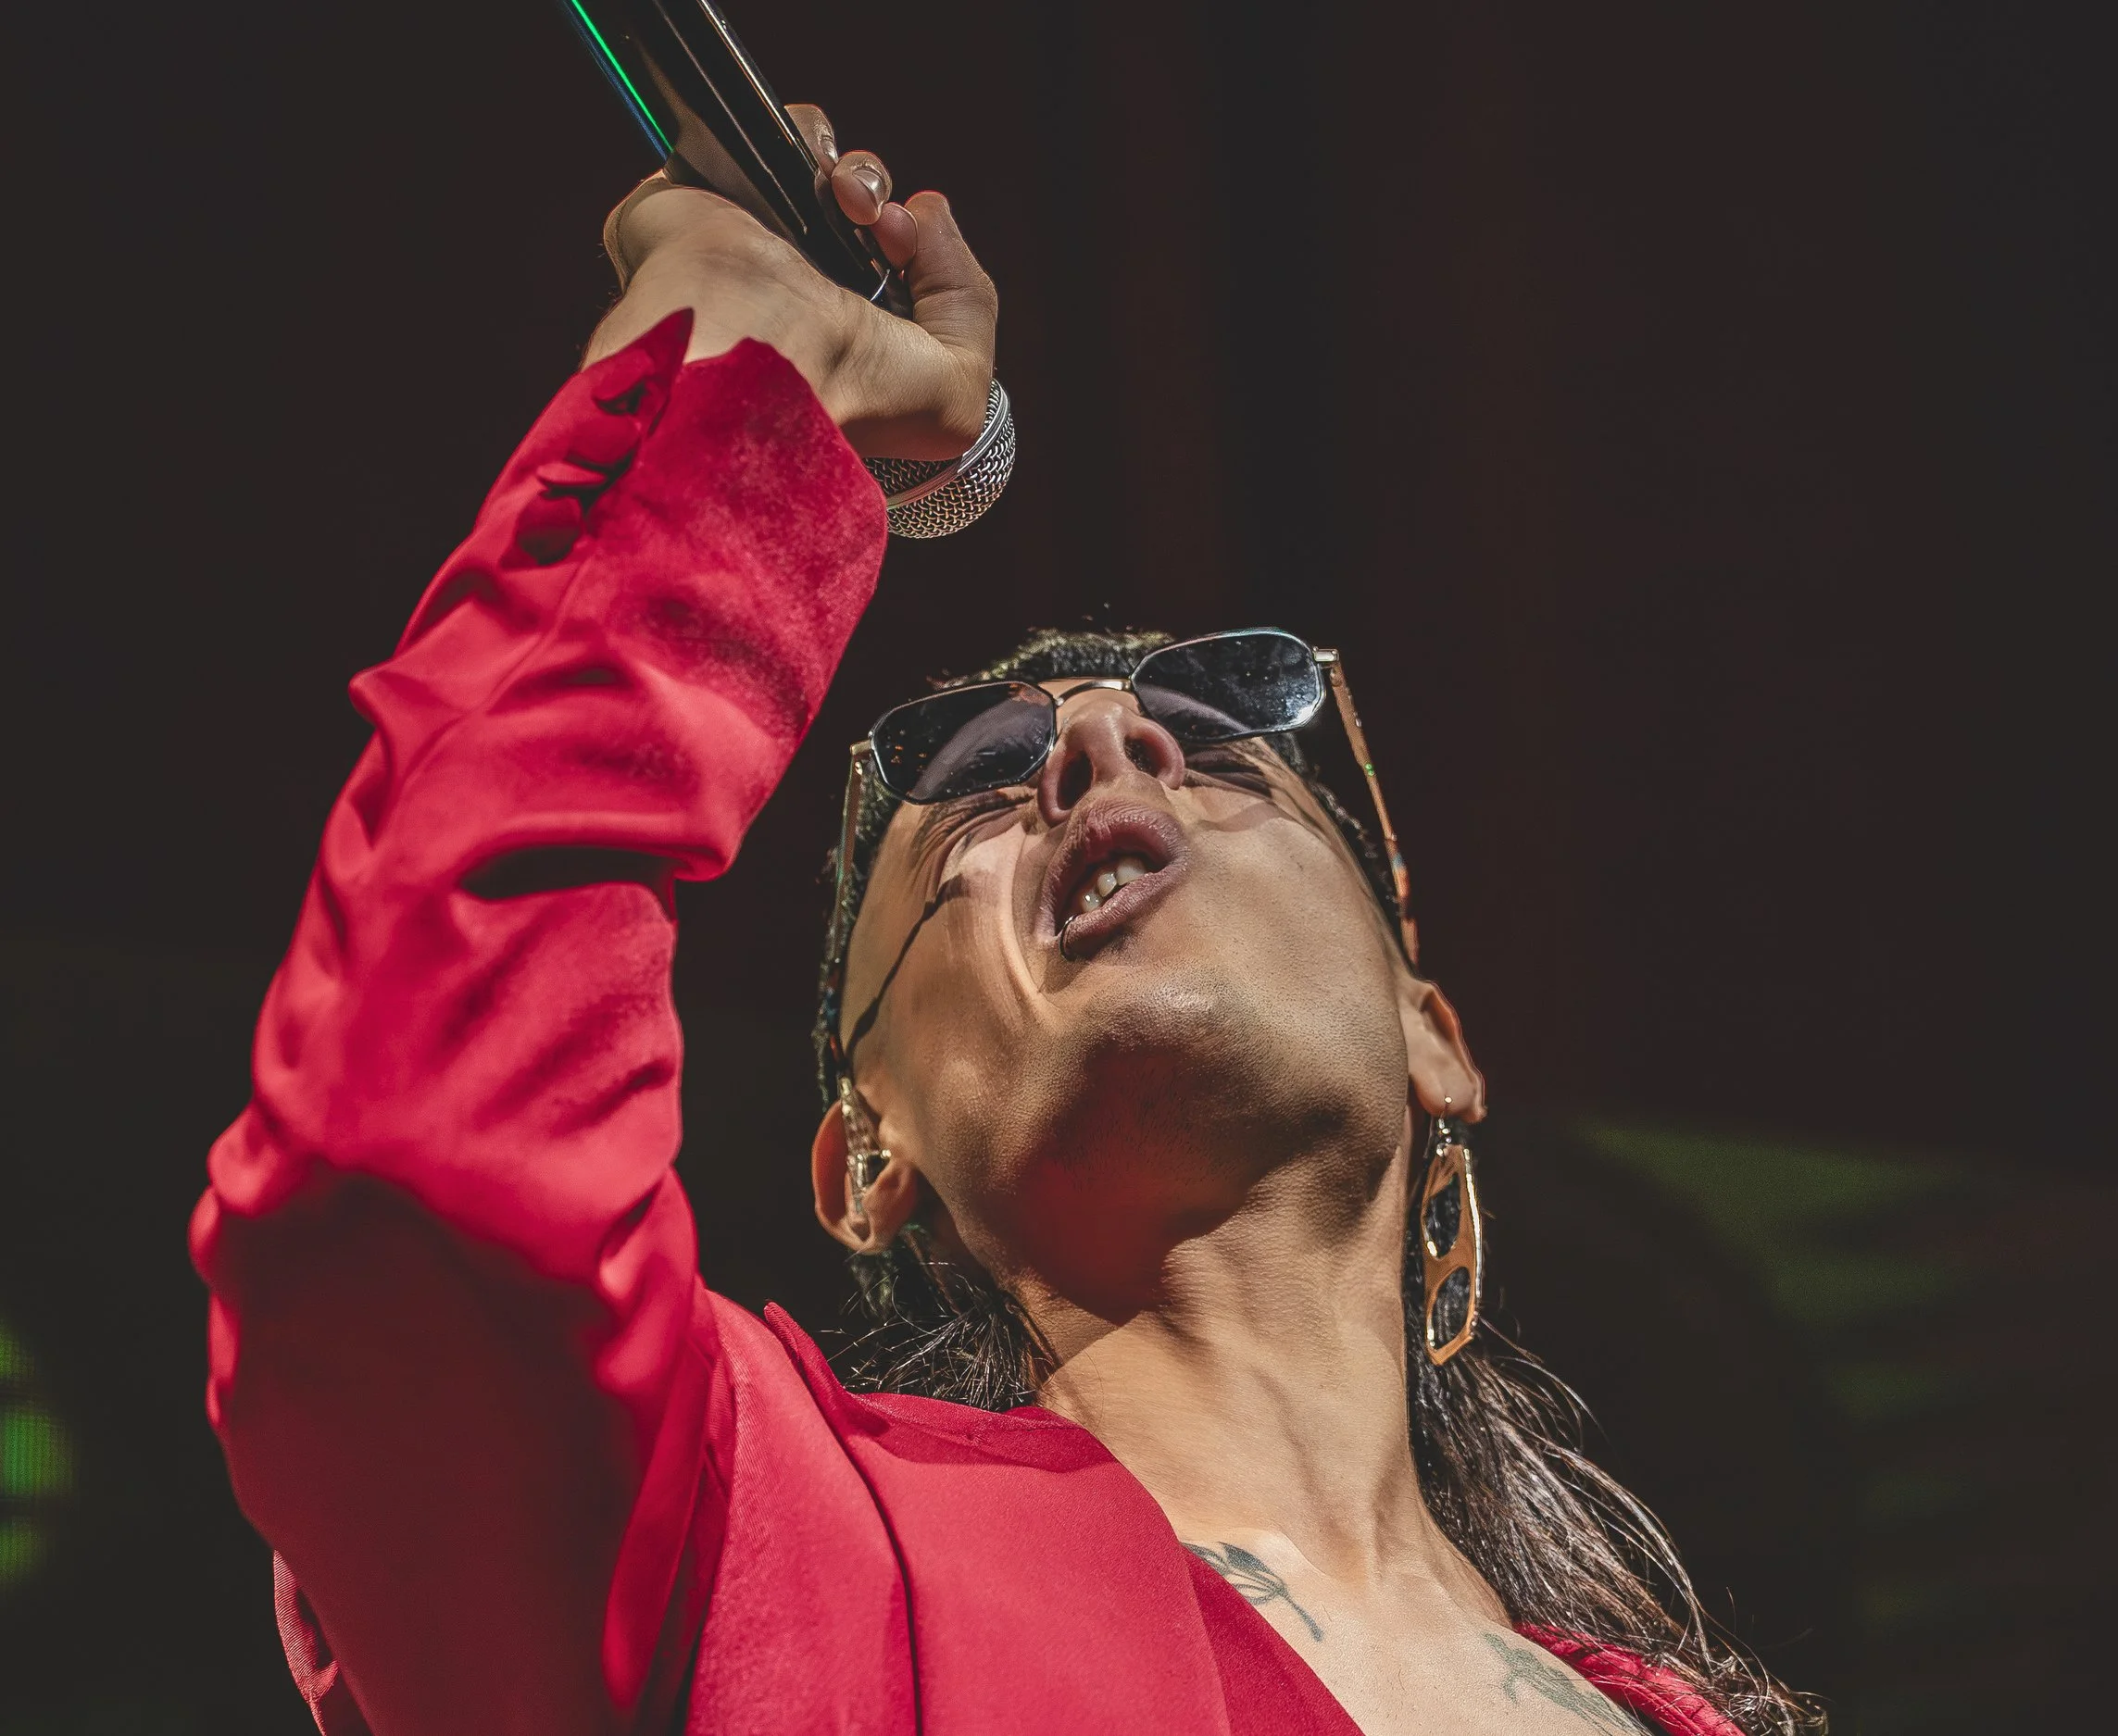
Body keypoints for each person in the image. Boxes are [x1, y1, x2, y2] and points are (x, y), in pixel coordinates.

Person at [193, 106, 1814, 1736]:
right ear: (866, 1154)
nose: (1111, 744)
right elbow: (412, 1170)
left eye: (1228, 734)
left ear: (1433, 1035)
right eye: (974, 773)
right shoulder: (755, 1543)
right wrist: (746, 377)